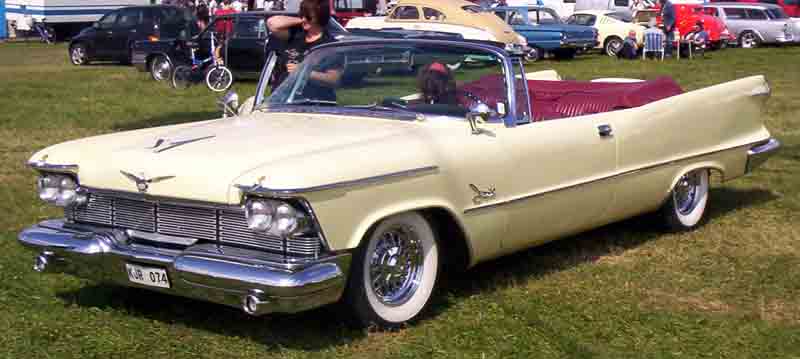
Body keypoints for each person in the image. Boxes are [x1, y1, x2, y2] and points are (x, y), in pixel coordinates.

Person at [267, 0, 341, 100]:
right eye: (302, 14)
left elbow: (333, 79)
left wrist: (303, 72)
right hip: (282, 101)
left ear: (320, 17)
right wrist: (302, 19)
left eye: (308, 16)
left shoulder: (330, 44)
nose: (304, 19)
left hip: (313, 103)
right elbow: (272, 23)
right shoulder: (294, 34)